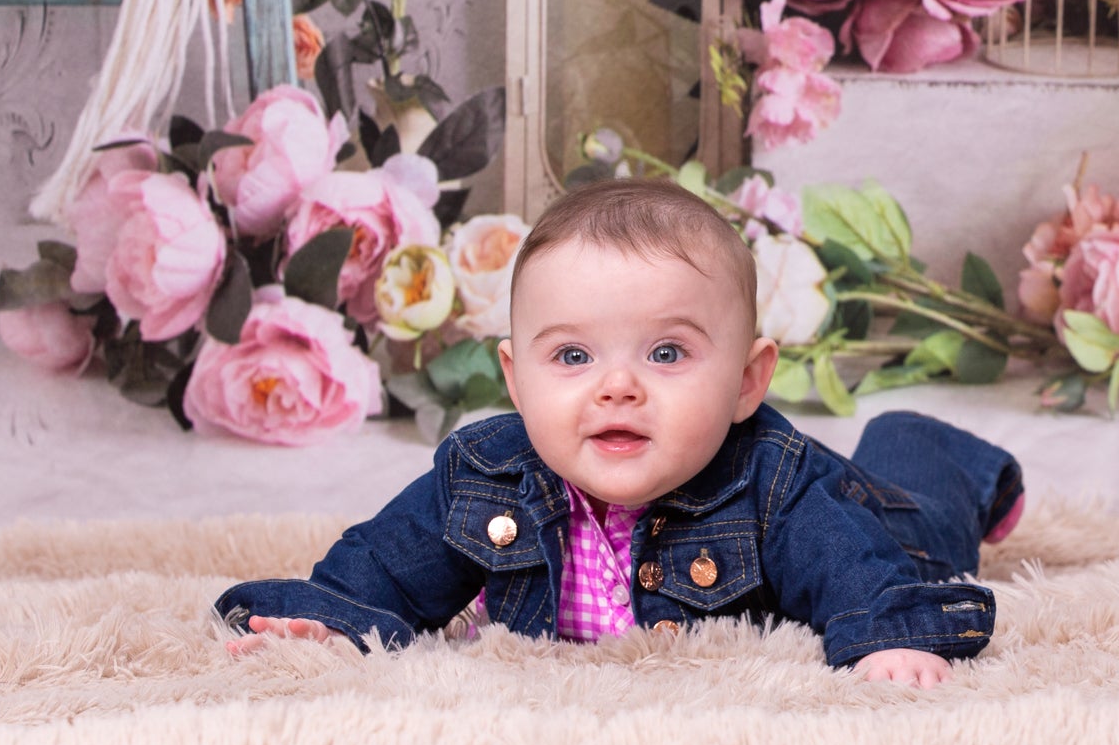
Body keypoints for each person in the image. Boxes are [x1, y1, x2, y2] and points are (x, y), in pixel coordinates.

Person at [216, 177, 1024, 687]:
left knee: (921, 519)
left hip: (878, 523)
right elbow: (386, 563)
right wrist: (332, 614)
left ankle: (934, 448)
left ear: (747, 378)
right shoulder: (484, 472)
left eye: (666, 351)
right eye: (571, 354)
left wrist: (888, 638)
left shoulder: (776, 481)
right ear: (514, 379)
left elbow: (858, 571)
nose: (617, 386)